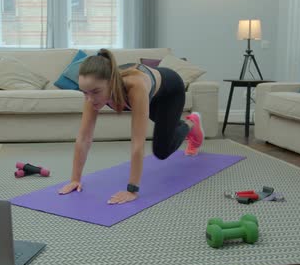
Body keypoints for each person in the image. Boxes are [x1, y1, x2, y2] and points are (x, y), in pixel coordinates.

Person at [58, 48, 204, 205]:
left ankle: (191, 122)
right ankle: (179, 125)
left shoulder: (135, 86)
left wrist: (132, 189)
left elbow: (137, 143)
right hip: (151, 95)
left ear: (111, 82)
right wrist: (75, 179)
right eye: (85, 92)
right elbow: (84, 137)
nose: (90, 98)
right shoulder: (91, 94)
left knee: (162, 150)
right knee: (165, 129)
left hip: (170, 92)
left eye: (95, 92)